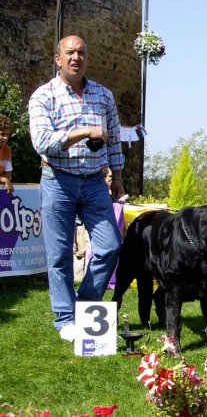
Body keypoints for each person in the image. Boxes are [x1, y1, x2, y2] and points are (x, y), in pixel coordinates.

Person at [29, 35, 125, 342]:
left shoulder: (103, 95)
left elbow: (114, 142)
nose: (76, 57)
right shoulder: (43, 97)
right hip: (58, 180)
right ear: (57, 59)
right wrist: (82, 131)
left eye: (81, 52)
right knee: (59, 256)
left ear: (87, 58)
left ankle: (84, 305)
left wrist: (118, 176)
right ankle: (65, 318)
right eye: (69, 52)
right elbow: (43, 143)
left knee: (110, 245)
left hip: (96, 181)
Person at [0, 113, 14, 193]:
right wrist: (3, 179)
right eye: (2, 134)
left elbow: (8, 173)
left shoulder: (7, 150)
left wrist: (5, 180)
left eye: (8, 134)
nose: (5, 137)